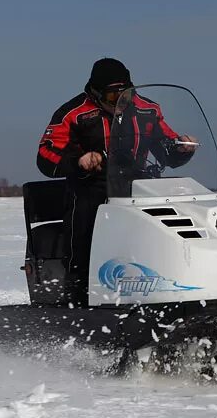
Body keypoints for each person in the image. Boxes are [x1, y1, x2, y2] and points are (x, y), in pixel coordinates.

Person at [36, 58, 195, 307]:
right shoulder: (74, 114)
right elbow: (46, 154)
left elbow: (167, 147)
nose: (120, 103)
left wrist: (181, 147)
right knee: (86, 236)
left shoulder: (147, 110)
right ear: (97, 93)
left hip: (139, 187)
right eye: (113, 97)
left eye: (126, 95)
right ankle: (79, 300)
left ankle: (173, 289)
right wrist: (80, 161)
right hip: (92, 187)